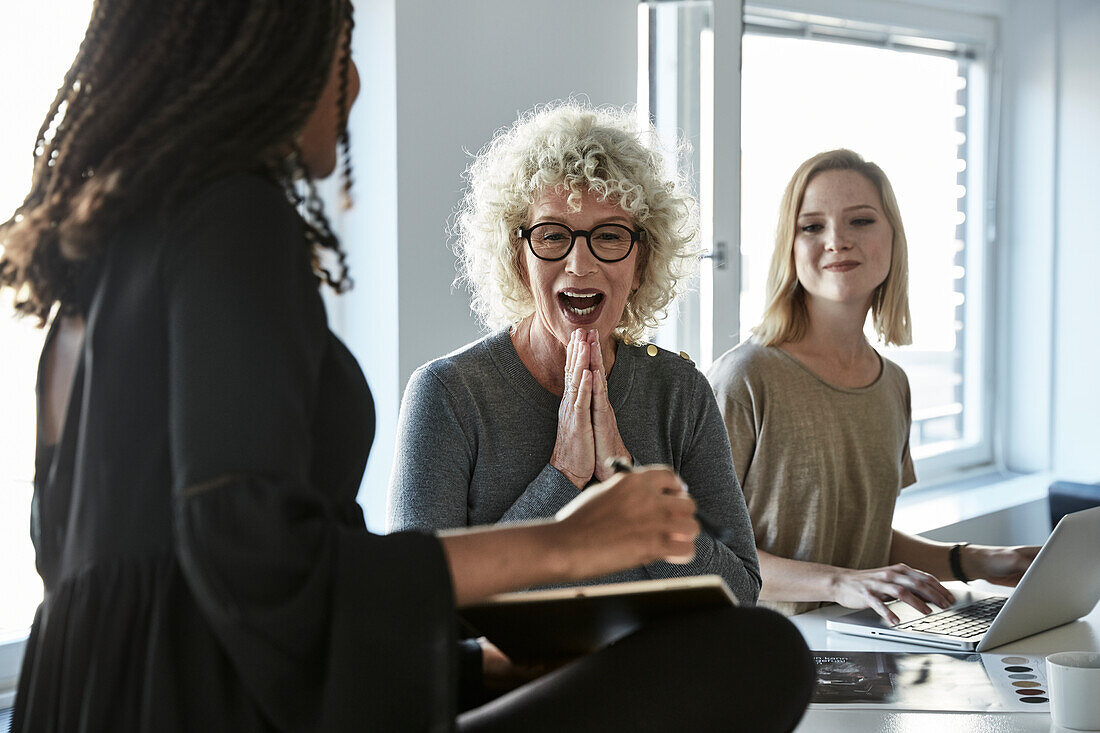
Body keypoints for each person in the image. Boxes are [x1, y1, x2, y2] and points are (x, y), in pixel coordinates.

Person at [0, 3, 812, 731]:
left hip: (111, 687)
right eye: (340, 41)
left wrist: (487, 668)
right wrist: (570, 537)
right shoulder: (233, 221)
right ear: (263, 49)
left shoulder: (108, 249)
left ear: (642, 256)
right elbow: (254, 557)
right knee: (762, 659)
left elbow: (122, 557)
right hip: (194, 698)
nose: (350, 82)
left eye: (610, 236)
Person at [387, 103, 761, 606]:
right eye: (552, 235)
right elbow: (412, 607)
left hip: (651, 672)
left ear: (642, 257)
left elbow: (740, 591)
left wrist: (623, 472)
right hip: (510, 681)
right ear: (518, 257)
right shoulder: (448, 394)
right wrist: (562, 476)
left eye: (609, 235)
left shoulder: (679, 390)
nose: (579, 263)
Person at [707, 149, 1039, 621]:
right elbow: (696, 550)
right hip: (762, 647)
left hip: (860, 641)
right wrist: (836, 581)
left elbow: (862, 536)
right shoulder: (745, 377)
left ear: (893, 239)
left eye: (860, 221)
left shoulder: (892, 385)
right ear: (790, 247)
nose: (837, 240)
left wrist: (976, 561)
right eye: (812, 226)